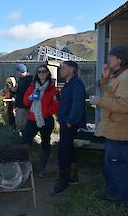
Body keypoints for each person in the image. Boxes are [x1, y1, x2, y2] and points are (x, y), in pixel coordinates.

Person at [91, 45, 128, 208]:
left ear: (119, 60)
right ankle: (113, 193)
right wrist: (105, 77)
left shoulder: (126, 78)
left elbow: (124, 104)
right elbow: (109, 92)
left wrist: (100, 101)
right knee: (111, 166)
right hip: (114, 132)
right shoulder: (118, 76)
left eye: (110, 57)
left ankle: (121, 201)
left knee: (117, 169)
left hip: (120, 133)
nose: (107, 60)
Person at [52, 61, 86, 194]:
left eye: (63, 68)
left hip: (69, 123)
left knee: (63, 151)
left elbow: (77, 105)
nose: (61, 70)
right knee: (69, 148)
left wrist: (70, 121)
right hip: (65, 121)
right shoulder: (69, 84)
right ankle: (73, 176)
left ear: (72, 70)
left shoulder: (76, 84)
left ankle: (63, 181)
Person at [22, 65, 59, 177]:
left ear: (48, 73)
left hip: (46, 120)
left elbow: (57, 105)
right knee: (25, 141)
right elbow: (25, 103)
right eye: (39, 72)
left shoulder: (53, 89)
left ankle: (42, 169)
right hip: (32, 119)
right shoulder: (32, 87)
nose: (42, 74)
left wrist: (45, 112)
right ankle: (24, 167)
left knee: (45, 143)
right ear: (37, 74)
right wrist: (30, 98)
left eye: (44, 72)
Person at [11, 64, 33, 135]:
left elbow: (27, 92)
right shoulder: (22, 80)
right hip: (20, 105)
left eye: (18, 72)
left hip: (24, 106)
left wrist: (16, 90)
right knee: (18, 124)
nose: (17, 73)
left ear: (21, 71)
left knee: (23, 125)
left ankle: (26, 141)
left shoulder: (28, 80)